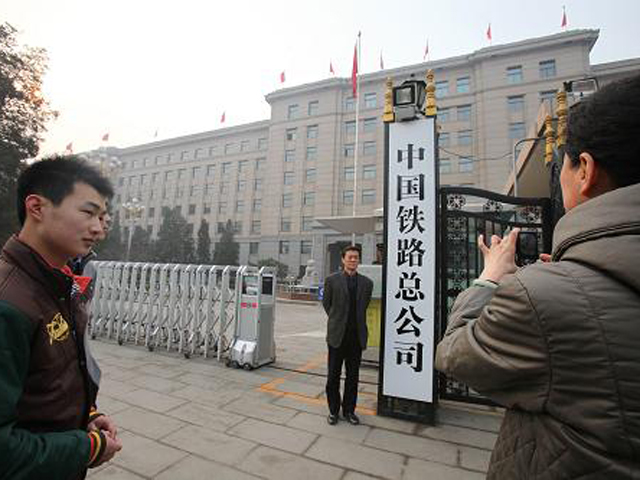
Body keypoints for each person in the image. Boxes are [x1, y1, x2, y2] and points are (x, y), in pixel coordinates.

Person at [435, 74, 640, 479]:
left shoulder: (541, 296)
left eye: (562, 163)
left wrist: (490, 278)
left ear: (585, 170)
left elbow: (455, 355)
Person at [0, 156, 123, 480]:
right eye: (88, 212)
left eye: (102, 217)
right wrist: (87, 448)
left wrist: (85, 414)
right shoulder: (8, 303)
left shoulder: (56, 284)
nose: (98, 229)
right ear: (37, 207)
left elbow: (46, 381)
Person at [322, 245, 373, 426]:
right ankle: (333, 411)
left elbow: (364, 306)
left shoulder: (367, 283)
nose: (353, 260)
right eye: (350, 257)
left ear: (359, 260)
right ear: (343, 259)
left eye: (356, 257)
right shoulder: (332, 280)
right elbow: (327, 304)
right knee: (333, 376)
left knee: (353, 377)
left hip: (356, 337)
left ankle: (349, 410)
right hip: (337, 336)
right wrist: (338, 320)